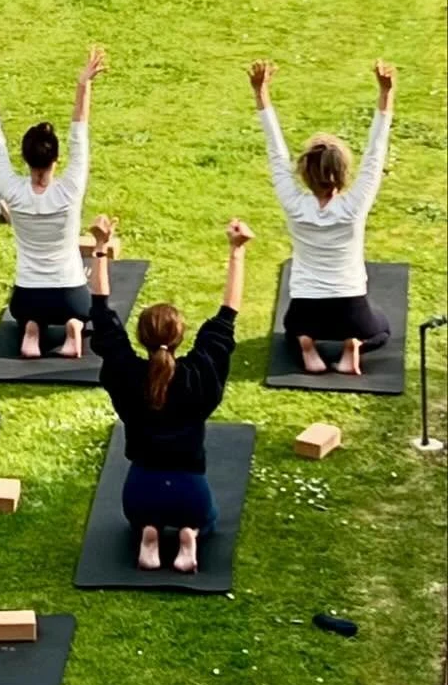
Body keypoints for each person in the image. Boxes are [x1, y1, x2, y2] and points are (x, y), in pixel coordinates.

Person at [89, 216, 251, 575]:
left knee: (142, 518)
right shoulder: (199, 376)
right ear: (180, 337)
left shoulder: (128, 375)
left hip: (141, 491)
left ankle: (149, 533)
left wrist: (101, 247)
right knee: (204, 520)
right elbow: (227, 317)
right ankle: (189, 535)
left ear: (143, 337)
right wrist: (236, 252)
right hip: (190, 492)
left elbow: (101, 314)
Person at [250, 58, 396, 376]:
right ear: (343, 174)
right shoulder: (354, 205)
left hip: (306, 311)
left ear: (305, 173)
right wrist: (386, 94)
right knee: (382, 329)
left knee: (291, 331)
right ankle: (350, 346)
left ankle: (306, 343)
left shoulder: (293, 203)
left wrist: (261, 94)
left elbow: (276, 152)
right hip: (352, 310)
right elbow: (375, 152)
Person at [0, 45, 106, 360]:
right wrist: (84, 84)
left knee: (27, 313)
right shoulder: (69, 189)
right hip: (72, 295)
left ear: (25, 159)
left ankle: (31, 331)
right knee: (79, 310)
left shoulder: (12, 190)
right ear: (56, 158)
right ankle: (72, 330)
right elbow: (79, 135)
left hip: (29, 297)